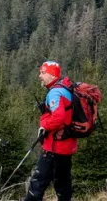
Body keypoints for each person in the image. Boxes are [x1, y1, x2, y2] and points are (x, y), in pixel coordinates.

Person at [24, 60, 76, 201]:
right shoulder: (66, 89)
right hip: (67, 146)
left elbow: (58, 118)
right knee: (63, 184)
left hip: (54, 147)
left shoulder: (55, 93)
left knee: (37, 184)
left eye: (42, 72)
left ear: (52, 75)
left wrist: (44, 126)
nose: (39, 76)